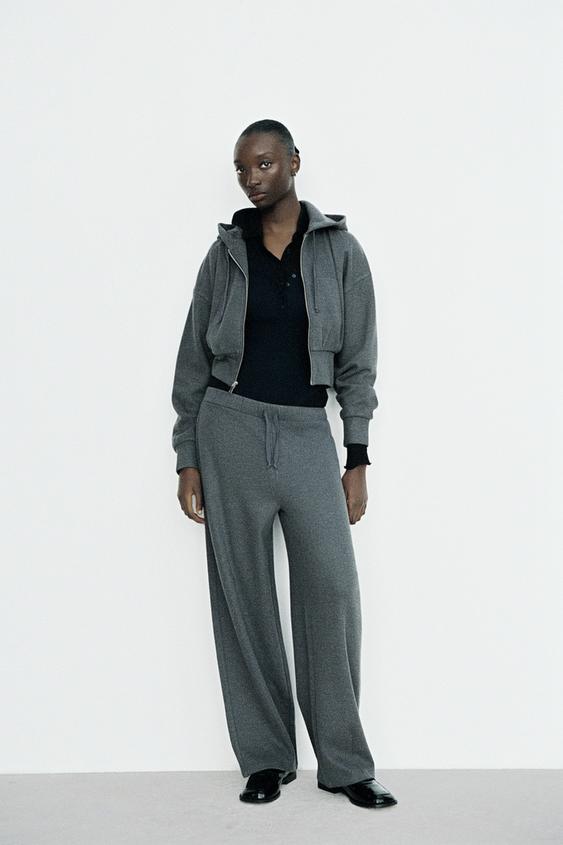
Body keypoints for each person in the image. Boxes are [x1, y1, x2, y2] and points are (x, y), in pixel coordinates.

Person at [171, 119, 397, 809]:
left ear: (294, 162)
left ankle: (344, 763)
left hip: (305, 434)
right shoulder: (224, 255)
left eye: (264, 163)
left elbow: (357, 362)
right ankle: (267, 759)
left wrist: (356, 455)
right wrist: (187, 455)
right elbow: (192, 360)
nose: (252, 178)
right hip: (229, 429)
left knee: (330, 588)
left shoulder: (340, 252)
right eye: (243, 169)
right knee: (244, 597)